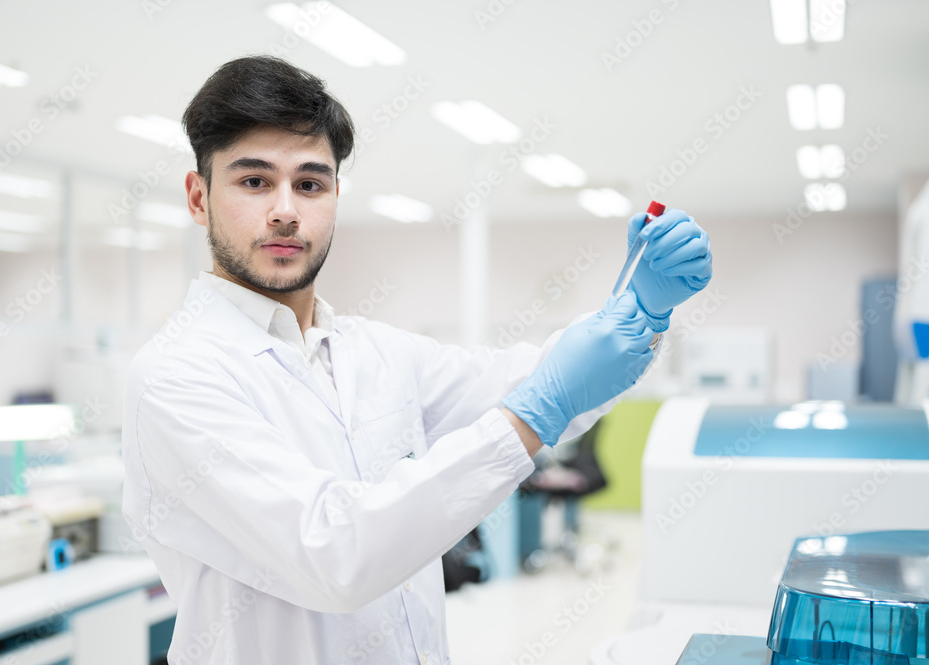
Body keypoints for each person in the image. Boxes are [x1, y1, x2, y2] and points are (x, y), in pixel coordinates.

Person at [121, 55, 711, 664]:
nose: (285, 210)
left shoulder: (376, 351)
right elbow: (333, 553)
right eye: (253, 181)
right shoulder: (174, 377)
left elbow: (533, 380)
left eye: (309, 183)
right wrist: (535, 414)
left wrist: (638, 312)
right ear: (198, 197)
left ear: (334, 197)